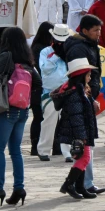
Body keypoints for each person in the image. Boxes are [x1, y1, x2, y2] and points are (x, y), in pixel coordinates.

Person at [0, 28, 42, 207]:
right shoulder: (28, 60)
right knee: (15, 151)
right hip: (23, 110)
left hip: (7, 109)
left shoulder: (6, 56)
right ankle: (19, 188)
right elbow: (38, 83)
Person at [63, 14, 105, 195]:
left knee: (86, 148)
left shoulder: (88, 45)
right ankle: (79, 184)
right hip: (82, 100)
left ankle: (85, 183)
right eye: (95, 30)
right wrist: (87, 94)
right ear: (85, 30)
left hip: (88, 97)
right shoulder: (78, 48)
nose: (98, 33)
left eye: (99, 30)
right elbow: (78, 75)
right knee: (83, 147)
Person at [53, 56, 100, 200]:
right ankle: (68, 184)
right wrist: (81, 136)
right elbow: (76, 116)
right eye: (88, 74)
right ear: (81, 76)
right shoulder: (75, 93)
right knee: (85, 157)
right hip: (79, 131)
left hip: (83, 130)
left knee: (83, 157)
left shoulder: (80, 90)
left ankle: (80, 187)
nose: (90, 77)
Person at [36, 24, 72, 161]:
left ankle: (67, 152)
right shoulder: (45, 52)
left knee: (67, 122)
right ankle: (43, 150)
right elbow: (44, 69)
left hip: (67, 90)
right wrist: (56, 55)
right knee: (49, 121)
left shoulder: (70, 51)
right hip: (50, 91)